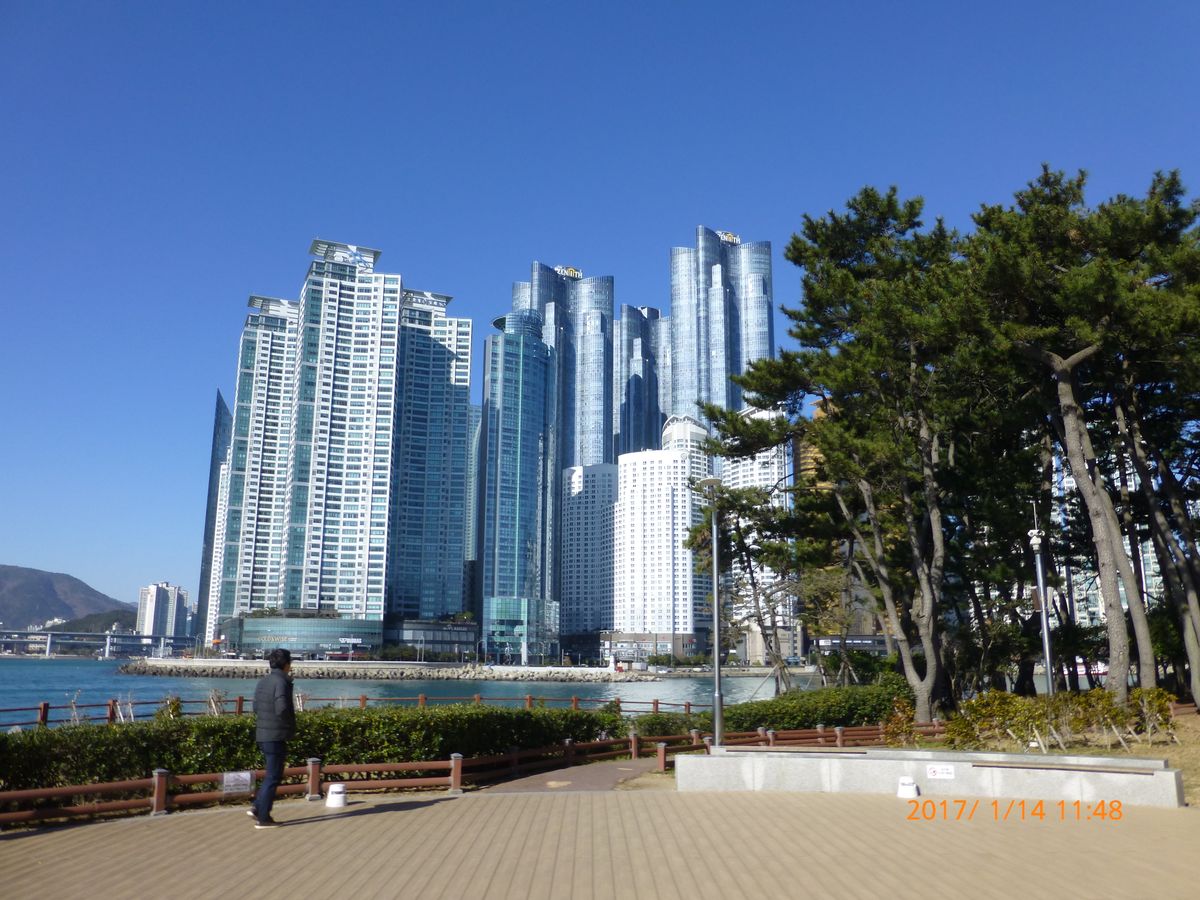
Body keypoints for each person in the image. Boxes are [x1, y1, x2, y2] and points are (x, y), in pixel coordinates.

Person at [250, 647, 295, 829]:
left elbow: (255, 707)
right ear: (286, 664)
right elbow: (282, 707)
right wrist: (287, 724)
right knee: (273, 776)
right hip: (276, 735)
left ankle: (257, 807)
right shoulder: (281, 682)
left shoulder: (263, 681)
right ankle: (263, 817)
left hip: (262, 734)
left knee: (271, 775)